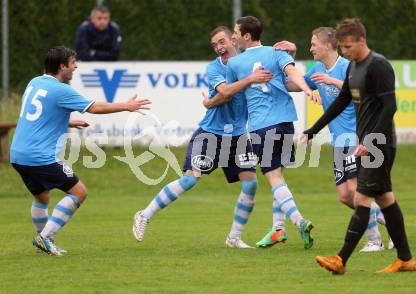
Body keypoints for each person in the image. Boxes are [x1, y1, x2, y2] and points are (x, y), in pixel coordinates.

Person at [132, 26, 273, 248]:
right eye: (214, 45)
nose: (219, 48)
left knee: (251, 185)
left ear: (234, 40)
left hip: (238, 136)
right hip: (210, 133)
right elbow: (225, 93)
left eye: (221, 42)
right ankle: (144, 215)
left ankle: (234, 237)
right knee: (190, 178)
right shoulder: (214, 68)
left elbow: (269, 68)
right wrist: (249, 80)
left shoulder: (248, 64)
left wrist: (285, 51)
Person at [10, 46, 150, 256]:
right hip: (39, 157)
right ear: (62, 66)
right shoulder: (61, 90)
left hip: (18, 155)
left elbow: (38, 116)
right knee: (79, 192)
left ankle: (45, 244)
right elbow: (95, 107)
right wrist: (126, 106)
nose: (76, 67)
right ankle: (45, 237)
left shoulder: (34, 83)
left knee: (42, 198)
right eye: (73, 63)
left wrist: (67, 121)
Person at [301, 18, 416, 273]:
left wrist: (370, 140)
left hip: (378, 142)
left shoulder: (379, 66)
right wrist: (313, 130)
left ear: (362, 41)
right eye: (341, 47)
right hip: (367, 142)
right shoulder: (353, 67)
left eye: (348, 47)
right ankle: (405, 259)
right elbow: (341, 102)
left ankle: (341, 259)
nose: (344, 52)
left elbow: (390, 107)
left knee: (361, 196)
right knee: (385, 199)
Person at [269, 28, 391, 252]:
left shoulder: (348, 67)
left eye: (314, 43)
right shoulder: (317, 69)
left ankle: (375, 240)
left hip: (356, 136)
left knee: (356, 190)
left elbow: (363, 94)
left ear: (327, 45)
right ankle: (390, 222)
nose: (311, 48)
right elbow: (293, 84)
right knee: (345, 197)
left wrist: (332, 82)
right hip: (338, 141)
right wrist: (287, 61)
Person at [226, 16, 319, 250]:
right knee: (279, 177)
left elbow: (229, 92)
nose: (233, 36)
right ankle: (278, 229)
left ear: (247, 36)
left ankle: (299, 221)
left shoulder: (235, 64)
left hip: (261, 126)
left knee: (274, 178)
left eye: (236, 32)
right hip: (286, 122)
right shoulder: (277, 52)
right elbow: (293, 73)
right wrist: (308, 90)